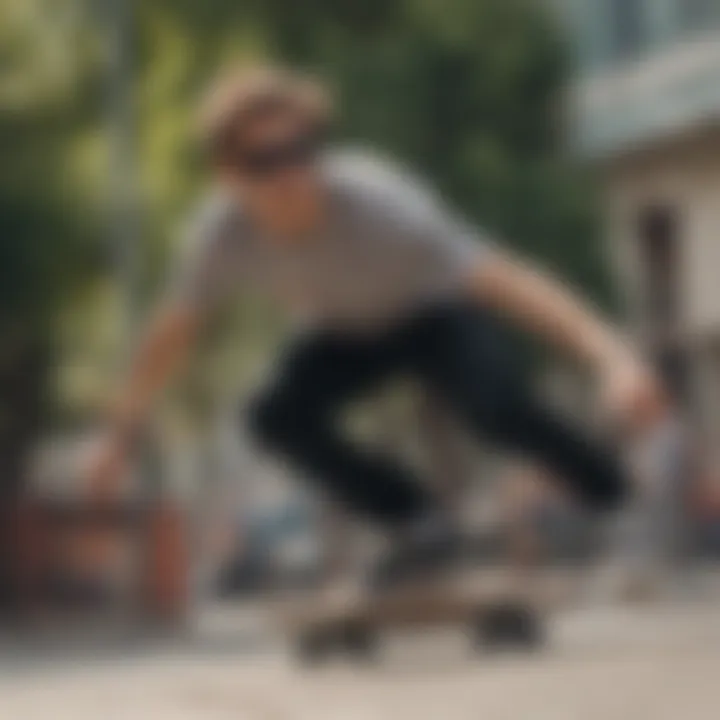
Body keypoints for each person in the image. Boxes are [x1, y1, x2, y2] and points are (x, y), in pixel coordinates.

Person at [85, 65, 667, 585]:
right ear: (230, 176)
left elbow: (511, 282)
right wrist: (118, 440)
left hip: (431, 315)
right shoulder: (220, 235)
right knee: (272, 416)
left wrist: (614, 358)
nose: (292, 175)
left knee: (497, 405)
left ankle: (613, 496)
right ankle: (414, 518)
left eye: (301, 151)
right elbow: (172, 334)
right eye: (267, 162)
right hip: (342, 335)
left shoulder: (382, 204)